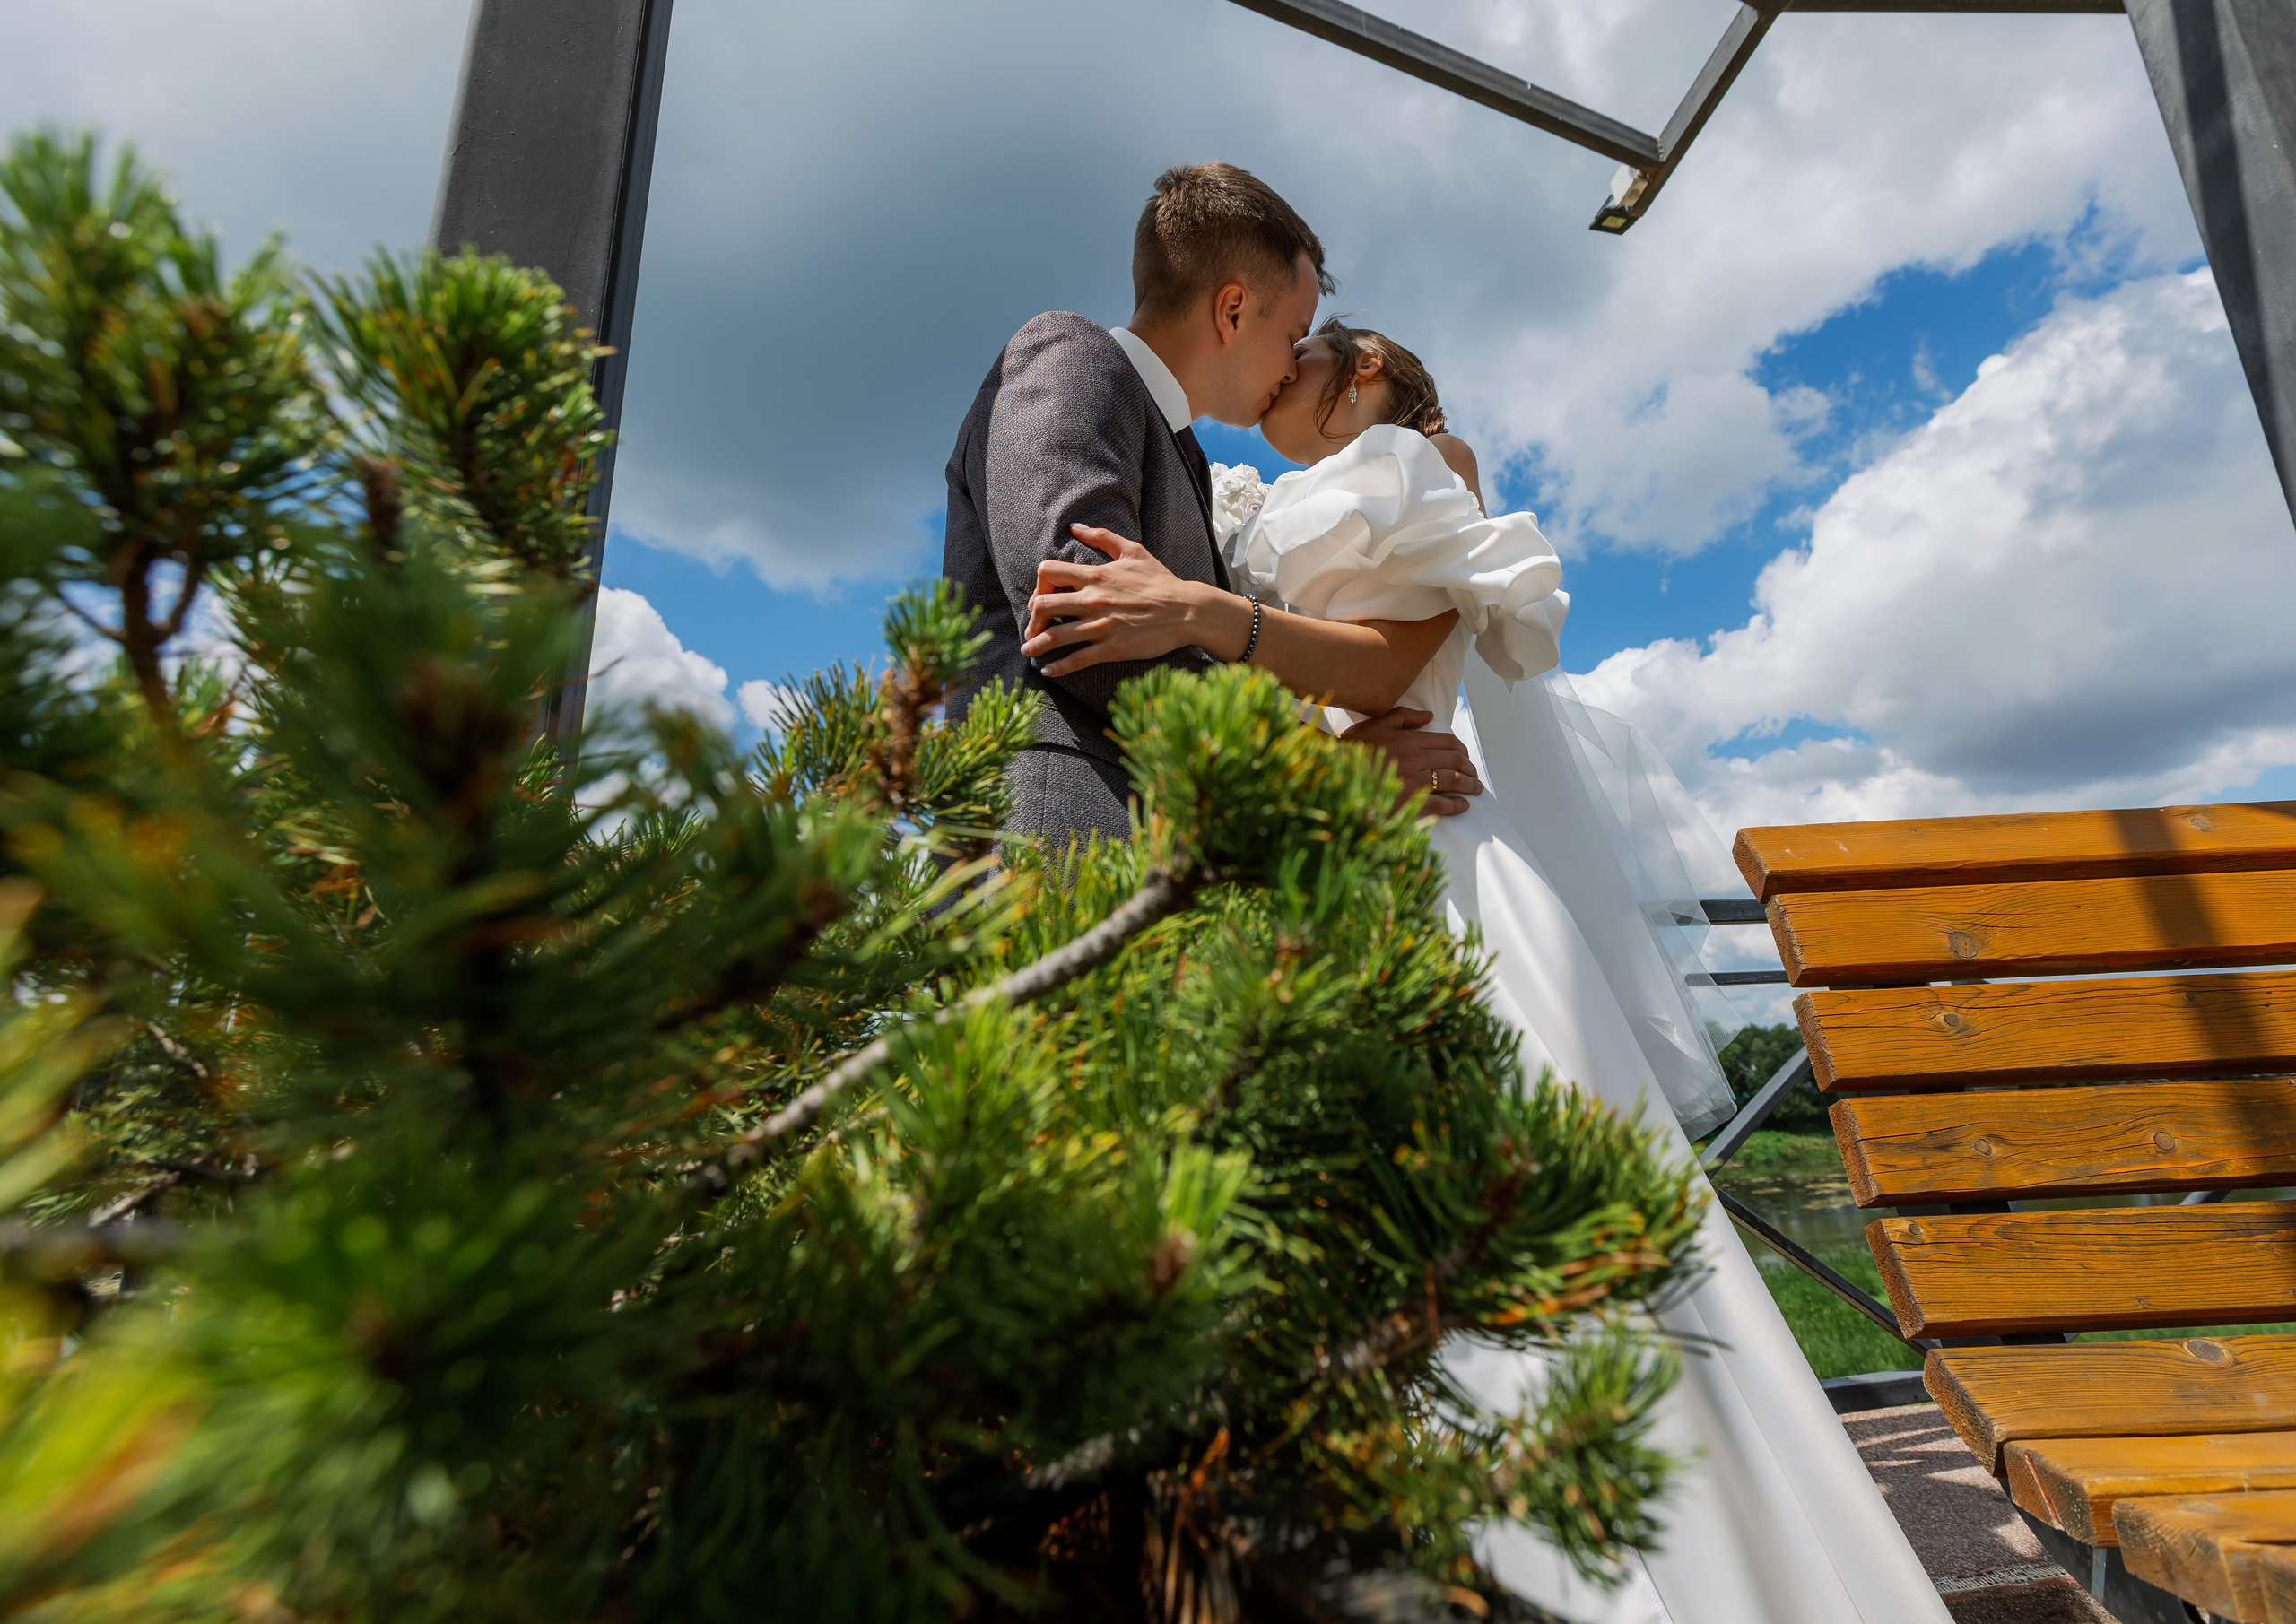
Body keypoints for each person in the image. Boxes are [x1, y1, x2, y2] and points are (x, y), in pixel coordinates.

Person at [1018, 319, 1952, 1624]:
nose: (1273, 376)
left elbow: (1391, 664)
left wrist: (1200, 611)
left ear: (1364, 373)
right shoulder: (1270, 500)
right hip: (1320, 857)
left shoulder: (1421, 464)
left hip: (1434, 864)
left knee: (1523, 1233)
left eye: (1300, 358)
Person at [941, 162, 1482, 846]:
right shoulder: (1073, 355)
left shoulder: (1191, 465)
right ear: (1232, 311)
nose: (1290, 366)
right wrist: (1332, 768)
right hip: (1059, 836)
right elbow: (1083, 619)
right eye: (1291, 335)